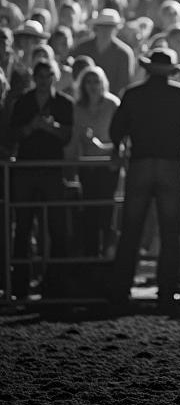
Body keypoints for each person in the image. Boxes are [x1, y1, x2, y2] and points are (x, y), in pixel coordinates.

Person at [108, 48, 180, 311]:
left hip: (140, 163)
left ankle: (119, 291)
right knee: (170, 231)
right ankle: (167, 291)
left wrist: (120, 145)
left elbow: (115, 128)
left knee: (130, 230)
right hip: (169, 164)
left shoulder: (133, 94)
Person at [7, 57, 74, 299]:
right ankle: (20, 285)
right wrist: (31, 127)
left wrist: (48, 128)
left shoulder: (65, 103)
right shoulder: (23, 102)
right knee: (23, 227)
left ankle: (56, 285)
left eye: (48, 76)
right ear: (34, 78)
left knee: (57, 227)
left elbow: (67, 136)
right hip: (26, 171)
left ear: (54, 77)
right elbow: (13, 134)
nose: (44, 81)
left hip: (51, 171)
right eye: (40, 77)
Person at [67, 65, 120, 259]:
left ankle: (108, 259)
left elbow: (121, 141)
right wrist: (69, 167)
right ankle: (90, 260)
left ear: (102, 82)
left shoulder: (113, 104)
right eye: (88, 81)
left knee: (107, 214)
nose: (92, 86)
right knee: (89, 214)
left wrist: (100, 147)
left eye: (96, 81)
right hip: (87, 168)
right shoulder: (77, 108)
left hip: (109, 167)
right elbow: (73, 141)